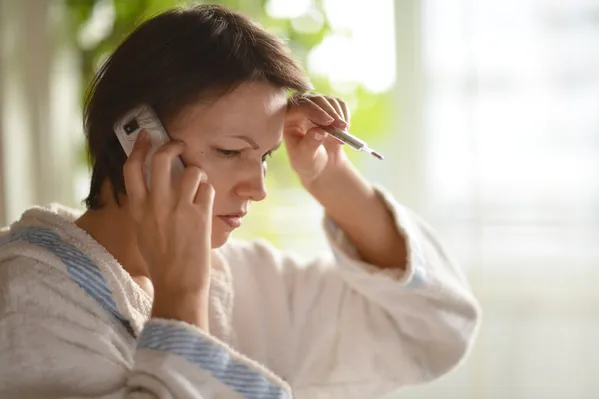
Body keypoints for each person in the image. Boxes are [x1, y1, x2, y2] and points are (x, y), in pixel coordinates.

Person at [0, 4, 480, 399]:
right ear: (138, 141)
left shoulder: (238, 277)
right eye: (230, 152)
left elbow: (435, 328)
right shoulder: (27, 303)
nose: (259, 188)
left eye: (266, 156)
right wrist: (182, 296)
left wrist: (330, 176)